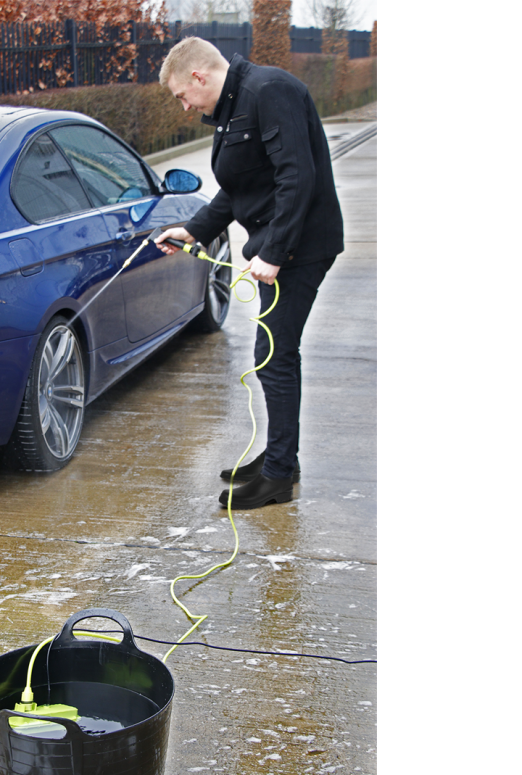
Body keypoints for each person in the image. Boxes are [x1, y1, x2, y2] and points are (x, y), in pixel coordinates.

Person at [155, 37, 344, 509]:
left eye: (182, 94)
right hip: (278, 252)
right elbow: (238, 188)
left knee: (275, 356)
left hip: (301, 248)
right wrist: (194, 231)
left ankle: (278, 476)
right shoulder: (237, 103)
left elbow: (296, 177)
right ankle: (282, 458)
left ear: (199, 76)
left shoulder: (268, 91)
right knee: (273, 354)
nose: (183, 106)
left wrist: (275, 252)